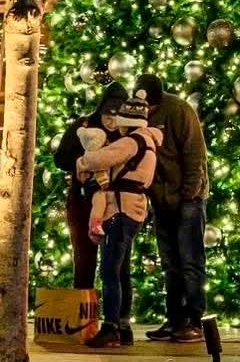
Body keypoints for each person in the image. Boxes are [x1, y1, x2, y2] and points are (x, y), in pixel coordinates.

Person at [78, 89, 163, 350]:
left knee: (110, 270)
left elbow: (100, 158)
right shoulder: (148, 140)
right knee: (119, 268)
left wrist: (83, 161)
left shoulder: (131, 142)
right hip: (133, 208)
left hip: (121, 209)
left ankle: (111, 327)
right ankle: (123, 327)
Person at [139, 74, 208, 344]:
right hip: (161, 200)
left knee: (190, 260)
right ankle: (175, 318)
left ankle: (194, 319)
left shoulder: (179, 111)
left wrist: (188, 193)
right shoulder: (138, 114)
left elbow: (194, 154)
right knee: (170, 263)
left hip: (188, 198)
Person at [52, 82, 128, 291]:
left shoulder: (127, 134)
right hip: (82, 199)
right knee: (84, 258)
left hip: (115, 204)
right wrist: (81, 161)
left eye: (117, 117)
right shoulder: (82, 127)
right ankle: (83, 313)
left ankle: (117, 318)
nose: (112, 122)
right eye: (108, 115)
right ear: (101, 109)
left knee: (118, 262)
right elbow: (60, 159)